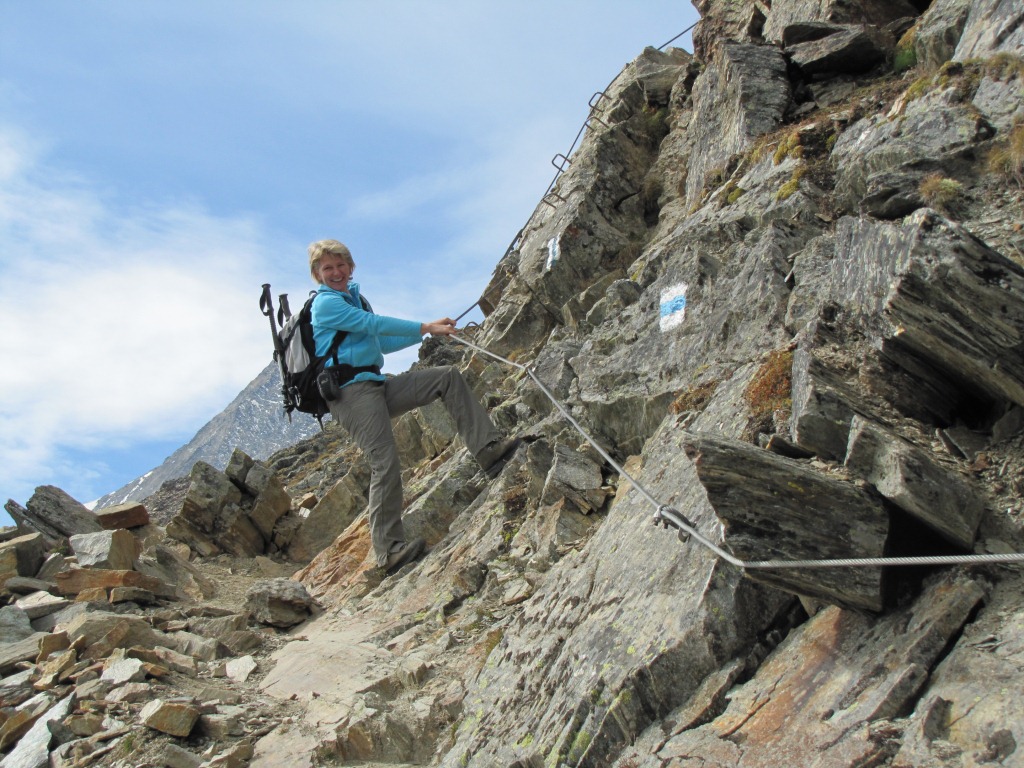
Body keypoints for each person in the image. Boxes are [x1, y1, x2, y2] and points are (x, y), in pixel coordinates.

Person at [307, 239, 521, 574]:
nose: (336, 272)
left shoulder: (355, 299)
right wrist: (427, 327)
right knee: (384, 461)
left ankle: (488, 450)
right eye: (327, 268)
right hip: (351, 395)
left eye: (340, 265)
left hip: (375, 385)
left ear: (350, 267)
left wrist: (431, 332)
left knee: (447, 377)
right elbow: (372, 326)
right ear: (317, 275)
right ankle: (389, 552)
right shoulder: (325, 306)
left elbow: (382, 341)